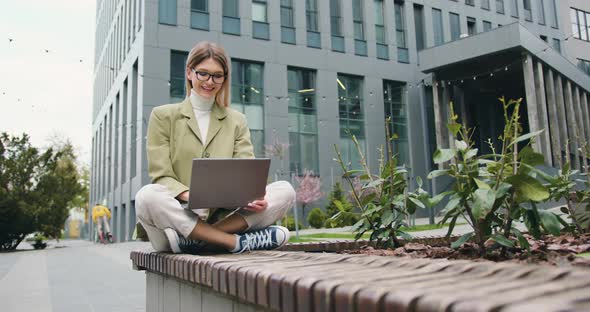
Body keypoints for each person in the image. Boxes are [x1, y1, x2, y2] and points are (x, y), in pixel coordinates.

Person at [135, 41, 295, 254]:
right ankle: (233, 242)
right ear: (189, 73)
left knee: (285, 191)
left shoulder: (237, 120)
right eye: (203, 73)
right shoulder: (163, 116)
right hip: (177, 220)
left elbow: (245, 172)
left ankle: (201, 239)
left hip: (222, 217)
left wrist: (252, 198)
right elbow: (161, 176)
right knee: (147, 196)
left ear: (224, 78)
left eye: (217, 76)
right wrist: (192, 196)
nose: (210, 81)